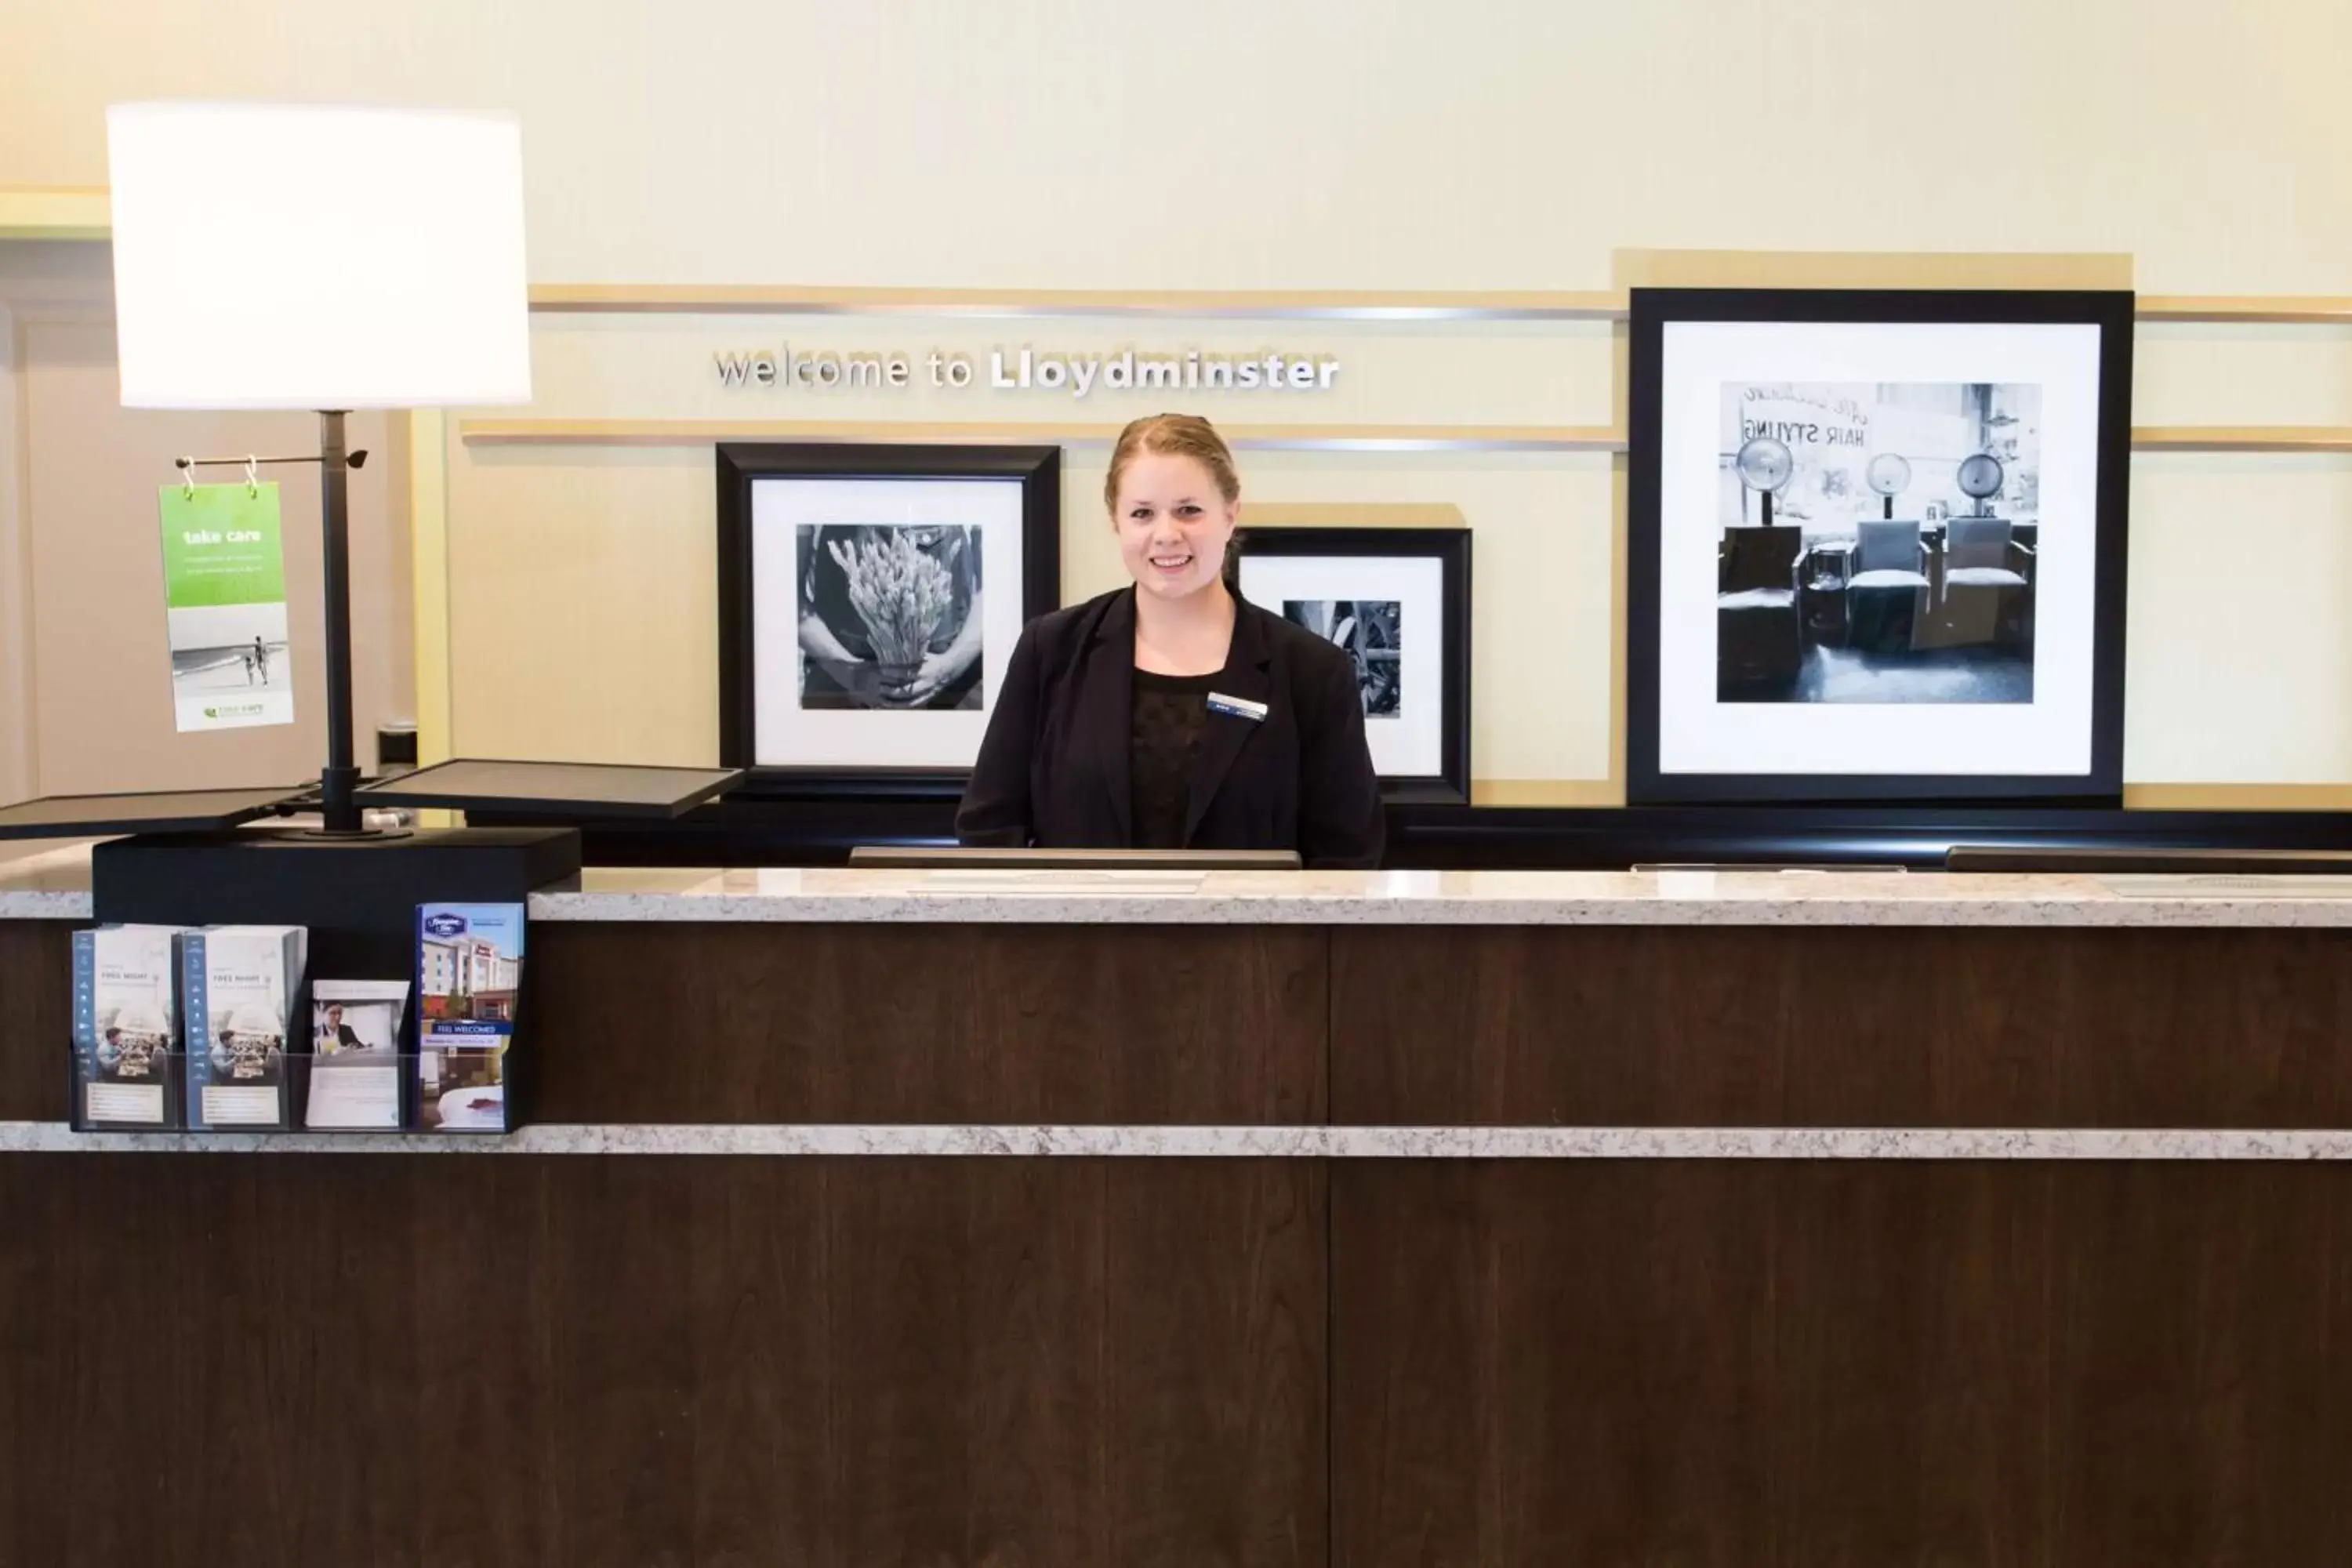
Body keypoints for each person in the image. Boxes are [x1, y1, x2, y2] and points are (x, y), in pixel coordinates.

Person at [956, 413, 1383, 867]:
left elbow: (1348, 859)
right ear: (1117, 522)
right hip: (1080, 939)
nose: (1166, 534)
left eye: (1188, 510)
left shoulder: (1313, 671)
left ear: (1230, 513)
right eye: (1142, 513)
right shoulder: (1051, 650)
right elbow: (988, 830)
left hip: (1253, 940)